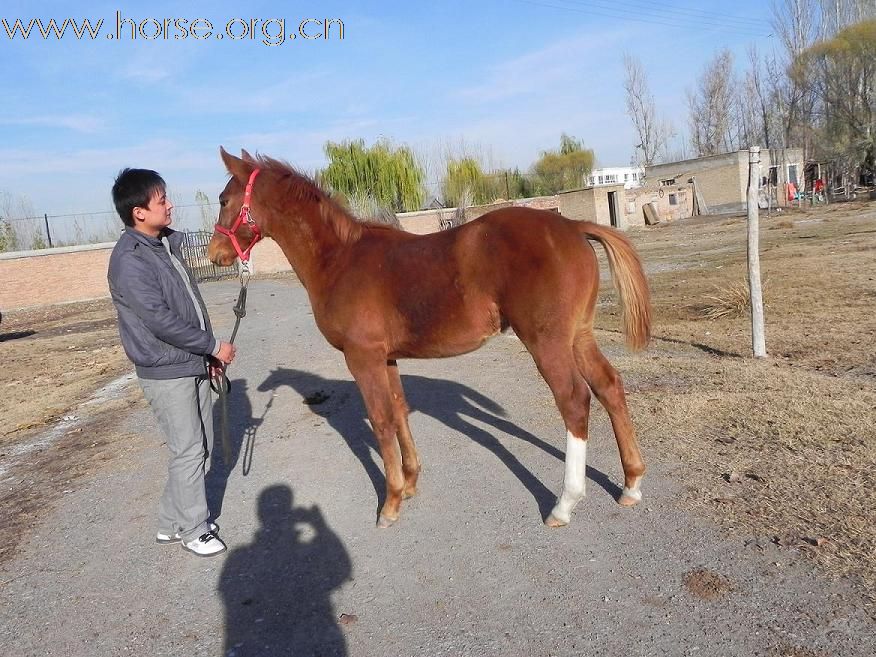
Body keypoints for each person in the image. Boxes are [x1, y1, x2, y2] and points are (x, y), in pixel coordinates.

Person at [108, 168, 235, 557]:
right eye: (161, 200)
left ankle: (169, 522)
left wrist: (206, 356)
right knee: (189, 449)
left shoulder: (164, 247)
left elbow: (191, 308)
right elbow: (160, 320)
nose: (170, 205)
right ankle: (194, 530)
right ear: (138, 212)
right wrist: (213, 345)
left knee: (198, 446)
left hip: (190, 362)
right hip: (166, 370)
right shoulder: (130, 260)